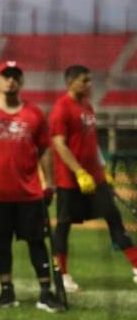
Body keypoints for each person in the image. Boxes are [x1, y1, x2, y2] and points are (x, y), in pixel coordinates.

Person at [0, 60, 64, 312]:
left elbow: (44, 150)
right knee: (1, 242)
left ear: (22, 81)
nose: (11, 81)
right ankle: (7, 292)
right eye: (6, 76)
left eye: (15, 76)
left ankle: (45, 292)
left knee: (37, 242)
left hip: (29, 193)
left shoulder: (34, 113)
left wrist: (49, 183)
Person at [49, 64, 137, 291]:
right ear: (71, 82)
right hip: (70, 181)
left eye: (89, 80)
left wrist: (103, 168)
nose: (89, 85)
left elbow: (91, 141)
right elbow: (59, 144)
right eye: (84, 81)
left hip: (95, 179)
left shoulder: (87, 106)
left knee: (114, 218)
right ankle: (63, 275)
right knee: (64, 226)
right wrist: (78, 171)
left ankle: (136, 267)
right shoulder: (61, 108)